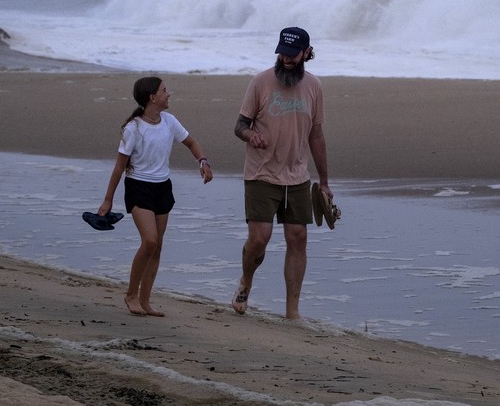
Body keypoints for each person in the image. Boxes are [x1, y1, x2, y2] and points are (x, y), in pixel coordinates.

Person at [232, 26, 332, 320]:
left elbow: (316, 136)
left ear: (305, 53)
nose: (286, 60)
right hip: (261, 173)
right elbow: (239, 126)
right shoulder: (260, 82)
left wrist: (324, 181)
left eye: (292, 55)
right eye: (282, 54)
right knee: (260, 238)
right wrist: (251, 136)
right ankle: (246, 282)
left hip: (298, 176)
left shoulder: (314, 86)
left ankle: (292, 311)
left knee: (298, 237)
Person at [98, 76, 213, 317]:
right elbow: (119, 166)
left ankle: (145, 300)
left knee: (157, 247)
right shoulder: (134, 128)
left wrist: (203, 161)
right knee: (149, 241)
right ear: (152, 97)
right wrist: (108, 200)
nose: (168, 93)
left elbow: (192, 143)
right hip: (139, 187)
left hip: (163, 188)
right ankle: (131, 295)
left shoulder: (169, 121)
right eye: (164, 90)